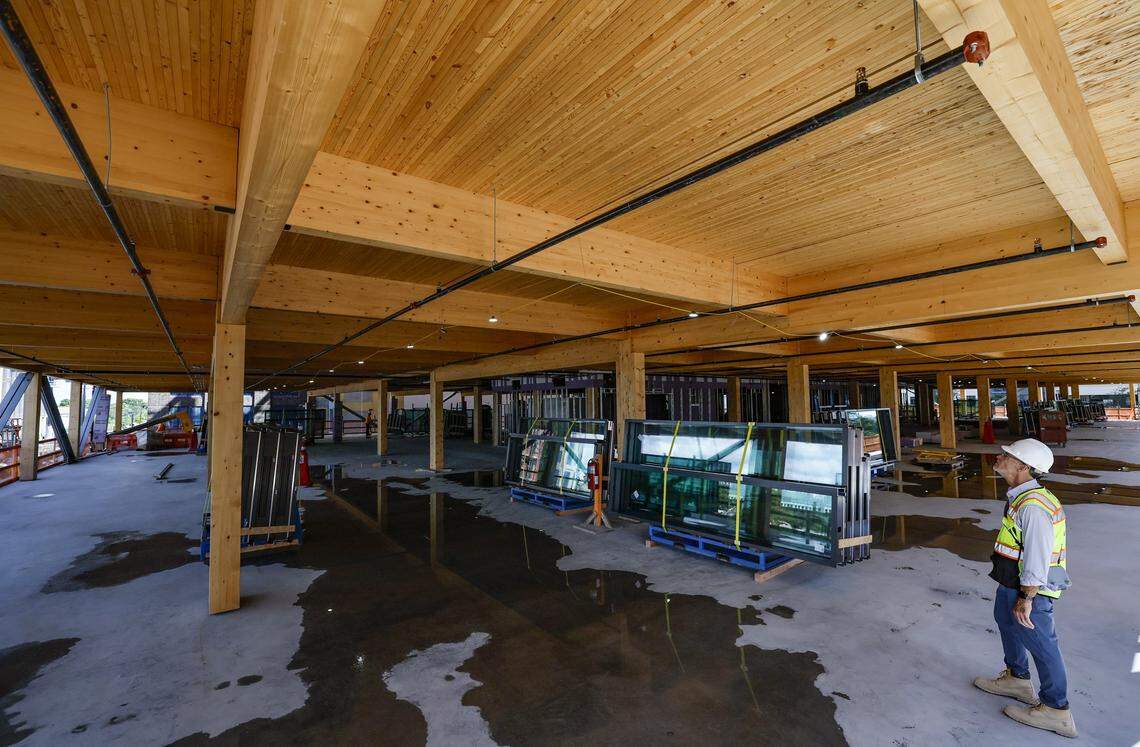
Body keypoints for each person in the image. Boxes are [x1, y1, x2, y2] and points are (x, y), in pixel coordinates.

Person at [973, 438, 1076, 738]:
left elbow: (1037, 556)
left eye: (1007, 455)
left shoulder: (1033, 506)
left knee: (1041, 643)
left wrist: (1027, 597)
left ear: (1023, 466)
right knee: (1006, 623)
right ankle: (1017, 679)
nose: (999, 457)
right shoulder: (1022, 497)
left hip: (1030, 587)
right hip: (1011, 579)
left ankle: (1057, 710)